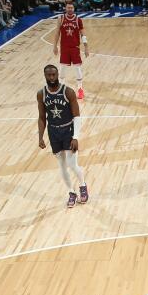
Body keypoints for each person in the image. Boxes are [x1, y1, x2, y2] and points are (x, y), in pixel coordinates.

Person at [36, 64, 88, 209]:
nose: (52, 78)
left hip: (68, 130)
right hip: (53, 132)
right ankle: (71, 192)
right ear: (45, 76)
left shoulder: (68, 92)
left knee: (72, 164)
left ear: (58, 74)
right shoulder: (42, 94)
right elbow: (42, 117)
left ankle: (82, 185)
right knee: (62, 165)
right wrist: (40, 137)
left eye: (54, 75)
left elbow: (77, 116)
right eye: (49, 75)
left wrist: (75, 137)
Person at [54, 1, 88, 99]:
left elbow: (83, 34)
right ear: (65, 8)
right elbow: (57, 33)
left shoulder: (78, 20)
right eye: (68, 8)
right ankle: (60, 89)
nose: (70, 9)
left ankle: (80, 89)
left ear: (74, 9)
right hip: (64, 47)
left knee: (77, 68)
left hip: (75, 47)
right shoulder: (61, 18)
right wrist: (54, 46)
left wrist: (86, 47)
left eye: (71, 8)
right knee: (62, 68)